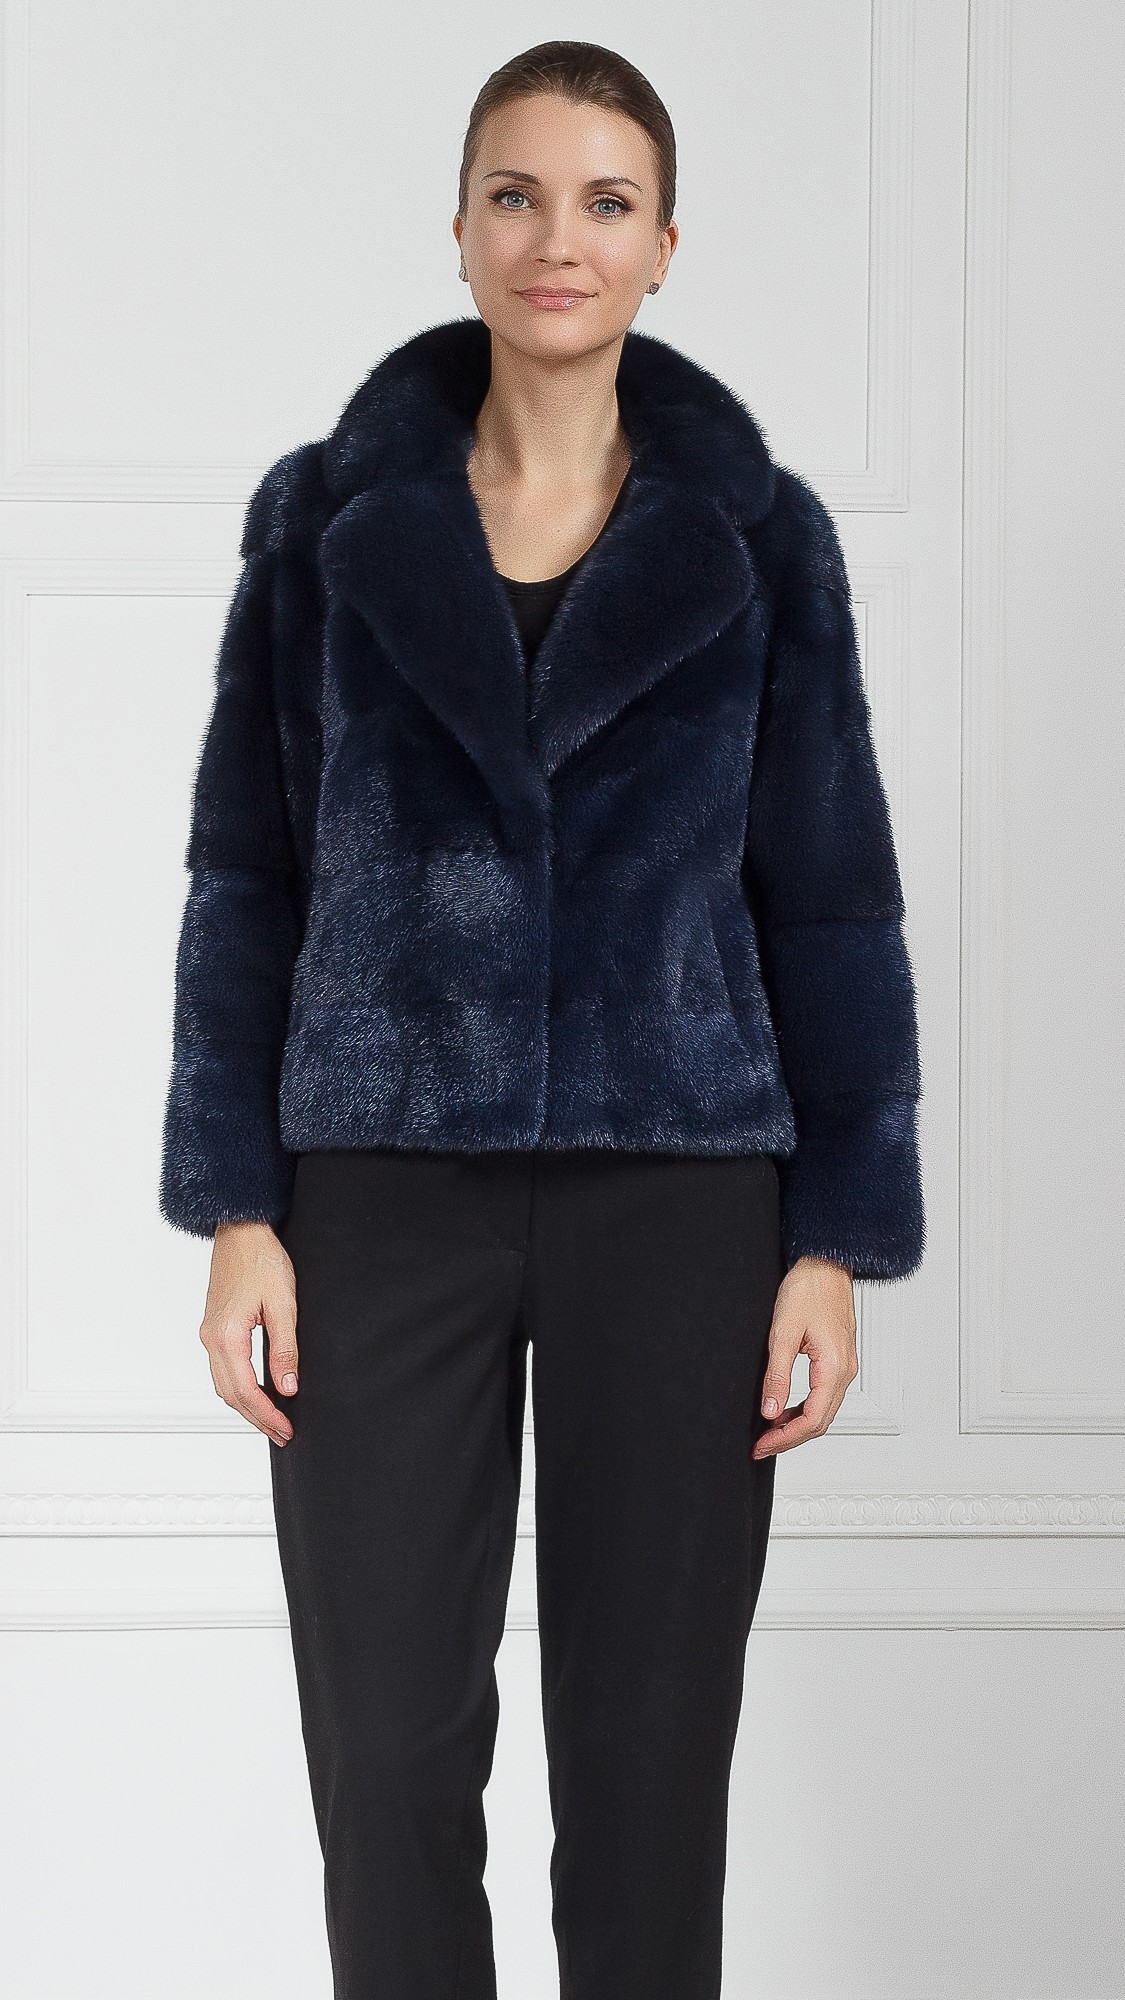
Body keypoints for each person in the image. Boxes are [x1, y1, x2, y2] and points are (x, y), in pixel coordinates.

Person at [160, 38, 925, 2000]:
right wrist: (236, 1203)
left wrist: (831, 1238)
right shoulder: (321, 523)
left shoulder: (761, 541)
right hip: (374, 1188)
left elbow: (827, 897)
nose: (555, 239)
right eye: (514, 195)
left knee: (648, 1761)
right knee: (387, 1752)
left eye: (603, 202)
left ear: (664, 243)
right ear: (456, 225)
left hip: (679, 1190)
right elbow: (246, 875)